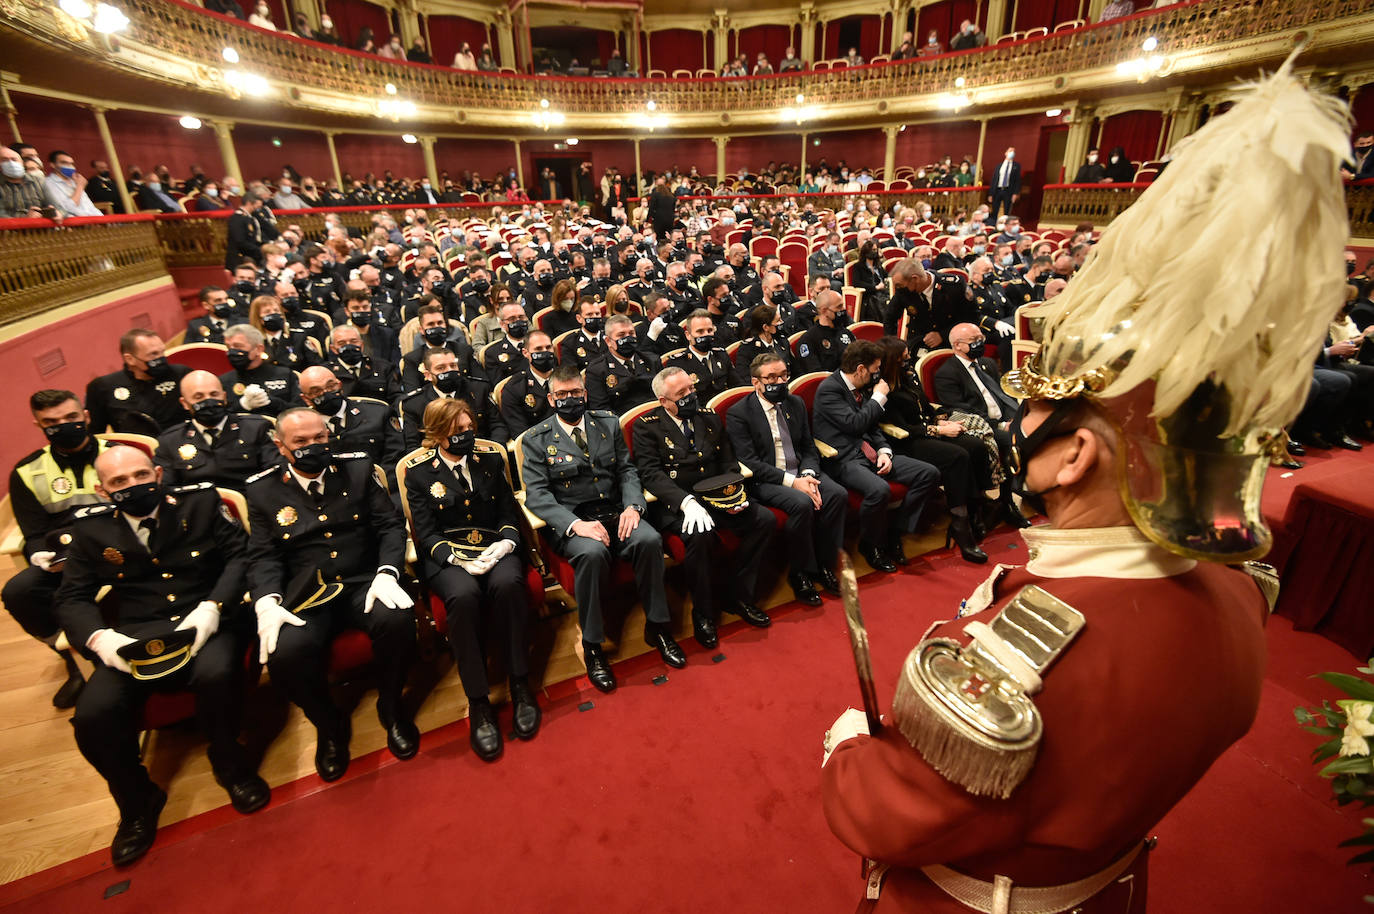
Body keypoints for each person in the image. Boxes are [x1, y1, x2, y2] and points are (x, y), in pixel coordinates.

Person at [820, 61, 1348, 910]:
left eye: (1037, 413)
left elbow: (897, 817)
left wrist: (848, 745)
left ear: (1076, 459)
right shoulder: (1239, 589)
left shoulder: (1024, 657)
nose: (1020, 427)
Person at [57, 445, 269, 866]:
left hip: (205, 618)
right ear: (102, 491)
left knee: (217, 674)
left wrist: (213, 608)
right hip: (134, 636)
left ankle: (230, 763)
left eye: (139, 475)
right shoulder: (90, 530)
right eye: (119, 482)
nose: (133, 486)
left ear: (156, 473)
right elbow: (71, 597)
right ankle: (137, 802)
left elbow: (238, 557)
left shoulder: (201, 502)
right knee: (92, 717)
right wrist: (100, 639)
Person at [246, 408, 419, 781]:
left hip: (363, 580)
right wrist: (267, 603)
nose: (313, 447)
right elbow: (264, 555)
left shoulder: (356, 468)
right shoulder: (262, 489)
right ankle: (328, 724)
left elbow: (390, 526)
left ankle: (392, 707)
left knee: (398, 620)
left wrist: (388, 572)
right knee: (283, 654)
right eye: (301, 442)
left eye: (319, 438)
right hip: (308, 592)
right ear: (280, 446)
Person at [519, 365, 686, 691]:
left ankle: (658, 626)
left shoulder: (607, 422)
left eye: (576, 393)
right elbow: (537, 496)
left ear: (585, 392)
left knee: (649, 539)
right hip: (574, 520)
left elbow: (627, 471)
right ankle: (593, 646)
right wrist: (575, 525)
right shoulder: (536, 439)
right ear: (552, 399)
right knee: (593, 554)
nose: (571, 399)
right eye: (563, 395)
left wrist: (633, 507)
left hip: (614, 511)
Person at [403, 398, 537, 762]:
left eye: (469, 429)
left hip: (495, 546)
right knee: (462, 598)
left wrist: (506, 543)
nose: (466, 437)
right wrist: (456, 558)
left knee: (509, 584)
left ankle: (520, 682)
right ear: (436, 434)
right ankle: (478, 701)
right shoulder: (418, 474)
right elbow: (426, 534)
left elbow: (509, 513)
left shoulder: (491, 461)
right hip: (448, 557)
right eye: (456, 431)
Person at [633, 367, 774, 648]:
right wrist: (686, 503)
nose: (689, 396)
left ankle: (738, 595)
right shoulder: (646, 425)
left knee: (764, 520)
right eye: (681, 394)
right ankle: (704, 612)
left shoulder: (709, 418)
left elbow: (728, 463)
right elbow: (650, 474)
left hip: (717, 497)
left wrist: (734, 495)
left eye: (691, 389)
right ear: (664, 401)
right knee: (700, 535)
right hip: (677, 504)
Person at [2, 390, 111, 708]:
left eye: (70, 418)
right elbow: (33, 534)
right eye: (51, 422)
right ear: (38, 425)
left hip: (118, 550)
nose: (62, 426)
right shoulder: (27, 471)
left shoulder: (117, 454)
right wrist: (39, 554)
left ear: (86, 417)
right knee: (18, 591)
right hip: (67, 561)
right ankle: (71, 657)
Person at [726, 353, 845, 605]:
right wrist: (794, 483)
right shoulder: (739, 413)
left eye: (783, 375)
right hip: (767, 479)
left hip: (801, 471)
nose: (779, 381)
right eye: (771, 377)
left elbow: (808, 447)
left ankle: (826, 564)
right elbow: (750, 463)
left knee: (837, 495)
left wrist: (809, 474)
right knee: (801, 504)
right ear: (756, 382)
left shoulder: (795, 403)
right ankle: (800, 573)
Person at [812, 340, 940, 572]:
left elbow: (872, 427)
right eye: (875, 370)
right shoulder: (829, 390)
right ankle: (871, 545)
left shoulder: (861, 387)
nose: (878, 375)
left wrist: (884, 451)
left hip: (871, 453)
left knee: (928, 473)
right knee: (879, 489)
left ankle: (896, 531)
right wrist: (879, 398)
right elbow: (855, 424)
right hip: (843, 458)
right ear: (860, 369)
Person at [873, 338, 989, 562]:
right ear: (892, 361)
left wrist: (941, 421)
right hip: (904, 441)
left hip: (925, 430)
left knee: (975, 445)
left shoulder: (908, 378)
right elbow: (901, 427)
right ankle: (960, 522)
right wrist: (937, 430)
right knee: (957, 457)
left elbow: (925, 407)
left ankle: (977, 509)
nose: (909, 360)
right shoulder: (884, 387)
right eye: (904, 357)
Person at [154, 371, 278, 490]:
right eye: (199, 397)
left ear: (224, 397)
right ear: (184, 403)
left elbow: (274, 476)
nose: (208, 401)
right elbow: (166, 488)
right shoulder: (170, 440)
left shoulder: (257, 428)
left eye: (214, 395)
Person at [297, 366, 405, 484]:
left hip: (382, 485)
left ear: (340, 385)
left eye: (330, 386)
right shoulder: (301, 430)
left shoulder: (378, 413)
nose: (326, 393)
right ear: (306, 398)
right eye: (316, 391)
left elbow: (395, 458)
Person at [86, 330, 191, 434]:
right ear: (130, 359)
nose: (160, 358)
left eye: (162, 352)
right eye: (153, 354)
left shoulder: (181, 374)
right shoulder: (103, 387)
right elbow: (97, 434)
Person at [933, 323, 1020, 436]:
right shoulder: (947, 374)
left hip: (1006, 420)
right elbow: (960, 410)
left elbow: (1003, 395)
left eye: (981, 338)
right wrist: (1000, 426)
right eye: (974, 339)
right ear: (958, 345)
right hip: (983, 426)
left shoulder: (988, 363)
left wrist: (1013, 419)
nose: (980, 343)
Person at [890, 258, 974, 352]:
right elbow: (890, 317)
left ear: (915, 279)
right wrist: (892, 345)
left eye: (900, 285)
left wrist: (942, 336)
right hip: (919, 341)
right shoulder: (903, 290)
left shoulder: (954, 286)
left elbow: (971, 317)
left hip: (953, 341)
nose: (898, 288)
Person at [586, 315, 660, 415]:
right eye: (621, 335)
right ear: (608, 341)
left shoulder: (652, 360)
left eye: (631, 333)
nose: (628, 338)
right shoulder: (597, 370)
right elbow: (601, 411)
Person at [220, 324, 298, 417]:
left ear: (258, 349)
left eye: (238, 346)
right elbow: (220, 418)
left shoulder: (285, 374)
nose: (232, 352)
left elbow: (301, 410)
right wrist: (242, 405)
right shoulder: (223, 381)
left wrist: (273, 402)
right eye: (229, 347)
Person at [667, 310, 743, 403]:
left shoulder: (721, 354)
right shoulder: (678, 363)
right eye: (700, 331)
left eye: (710, 330)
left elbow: (737, 385)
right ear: (688, 335)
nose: (706, 335)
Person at [499, 329, 557, 436]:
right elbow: (520, 432)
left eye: (548, 347)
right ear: (525, 353)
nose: (545, 352)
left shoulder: (567, 379)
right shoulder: (514, 388)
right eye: (538, 349)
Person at [796, 290, 857, 375]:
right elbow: (816, 375)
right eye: (839, 307)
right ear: (824, 310)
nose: (843, 309)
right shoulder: (808, 340)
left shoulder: (846, 333)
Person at [44, 150, 101, 217]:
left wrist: (102, 218)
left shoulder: (75, 182)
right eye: (64, 163)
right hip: (76, 223)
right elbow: (67, 209)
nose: (69, 166)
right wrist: (80, 186)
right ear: (52, 165)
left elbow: (89, 206)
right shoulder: (48, 183)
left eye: (71, 164)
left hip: (93, 219)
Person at [225, 191, 265, 269]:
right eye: (257, 206)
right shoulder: (237, 218)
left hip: (251, 256)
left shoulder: (249, 218)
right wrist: (259, 250)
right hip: (240, 260)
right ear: (249, 203)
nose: (258, 209)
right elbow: (240, 241)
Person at [987, 147, 1021, 223]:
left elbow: (1017, 181)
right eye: (1010, 151)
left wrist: (1015, 193)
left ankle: (1005, 225)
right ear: (1005, 153)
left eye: (1013, 151)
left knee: (1007, 211)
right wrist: (991, 194)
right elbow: (994, 179)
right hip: (998, 190)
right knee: (995, 210)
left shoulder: (1016, 166)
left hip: (1008, 191)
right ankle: (993, 225)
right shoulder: (999, 166)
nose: (1012, 152)